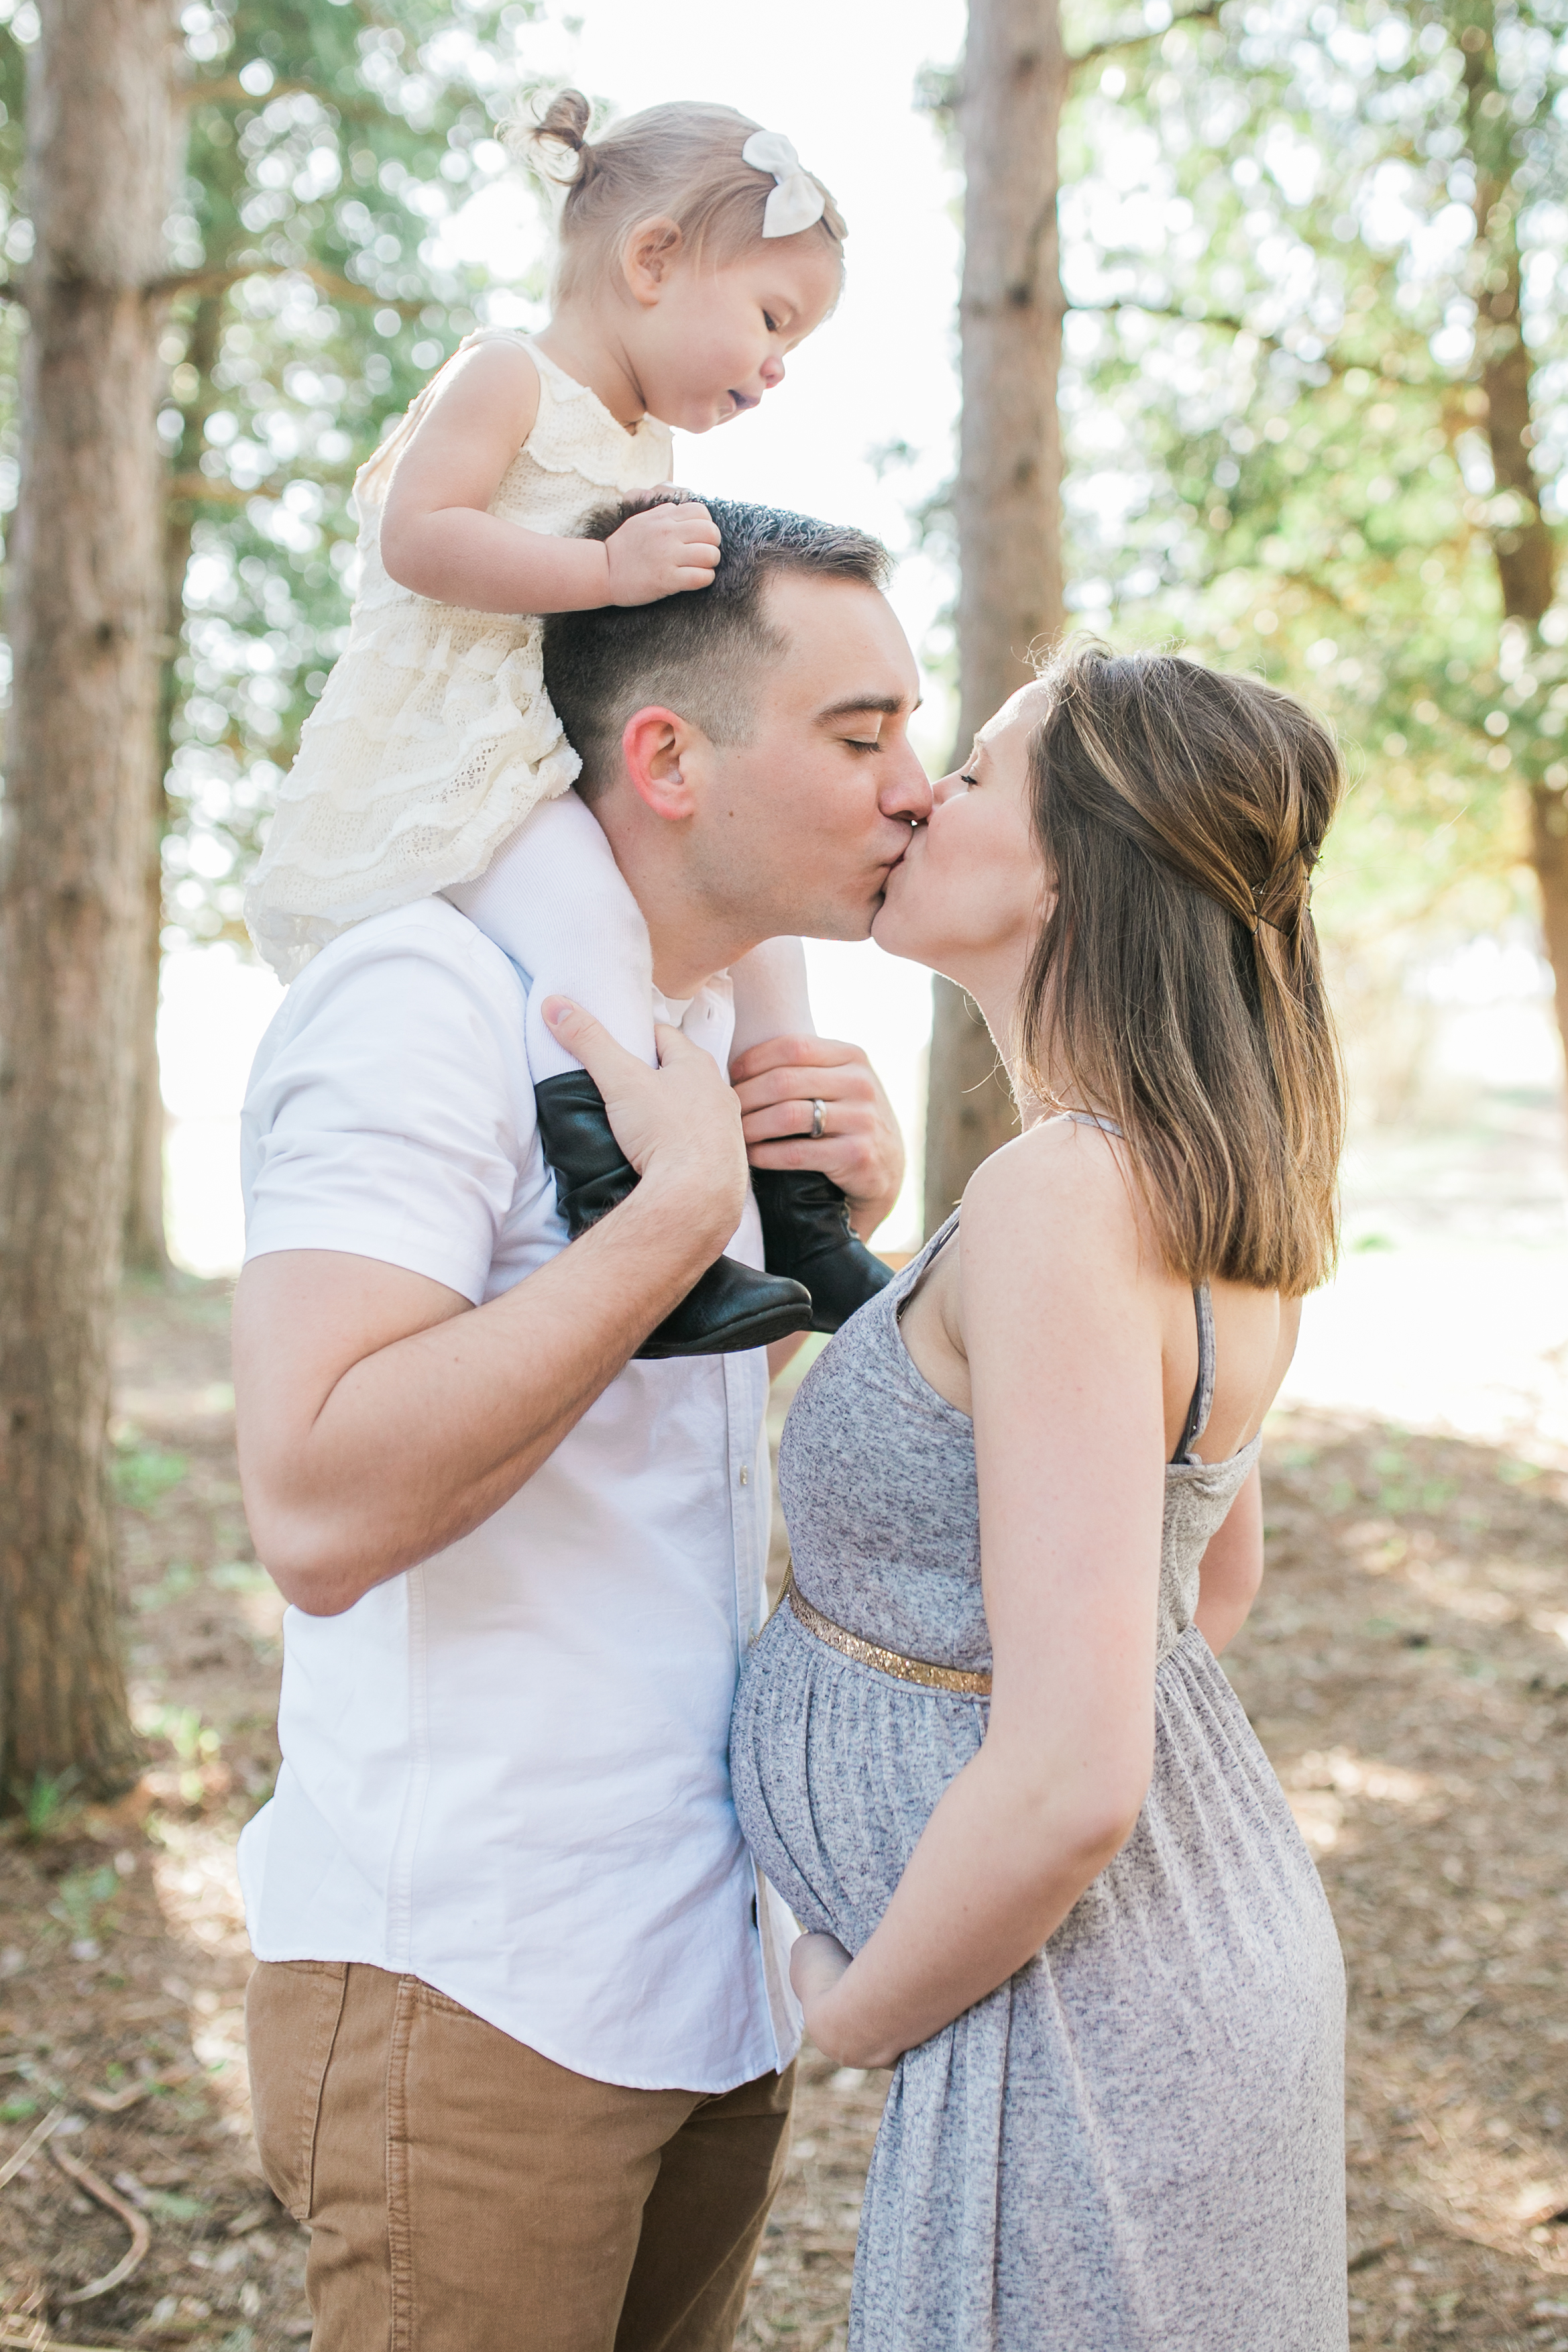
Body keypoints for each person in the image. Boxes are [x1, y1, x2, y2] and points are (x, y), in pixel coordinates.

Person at [233, 496, 928, 2352]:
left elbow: (623, 1442)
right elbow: (311, 1501)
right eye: (863, 737)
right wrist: (661, 1231)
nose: (916, 789)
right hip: (473, 1989)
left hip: (703, 1966)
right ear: (666, 754)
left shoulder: (692, 1032)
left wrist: (802, 1244)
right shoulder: (419, 1002)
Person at [731, 641, 1351, 2350]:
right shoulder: (1191, 1173)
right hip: (1176, 1967)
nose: (923, 788)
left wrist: (856, 2008)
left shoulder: (1064, 1192)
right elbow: (1194, 1595)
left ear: (1082, 860)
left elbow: (1078, 1768)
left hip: (1086, 2014)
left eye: (981, 769)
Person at [243, 91, 892, 1356]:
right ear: (651, 261)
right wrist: (604, 577)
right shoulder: (508, 376)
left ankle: (797, 1202)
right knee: (588, 930)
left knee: (764, 938)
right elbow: (417, 538)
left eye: (793, 346)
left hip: (568, 738)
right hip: (469, 747)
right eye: (770, 321)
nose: (775, 368)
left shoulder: (647, 440)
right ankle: (621, 1207)